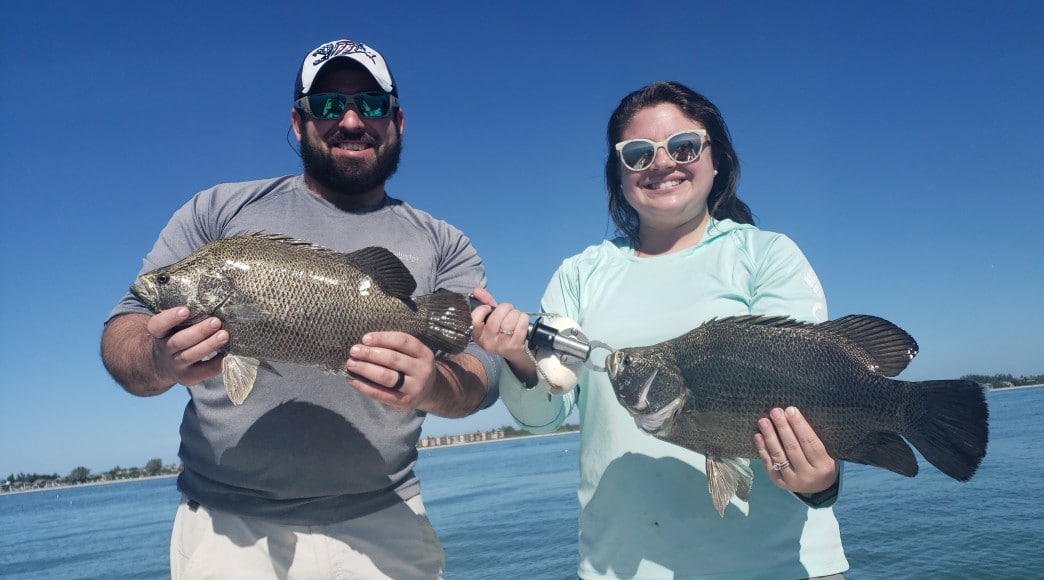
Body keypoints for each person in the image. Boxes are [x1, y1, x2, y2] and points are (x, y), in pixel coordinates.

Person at [101, 39, 501, 579]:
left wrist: (435, 387)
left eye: (373, 104)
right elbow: (123, 329)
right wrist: (158, 358)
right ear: (298, 122)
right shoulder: (217, 211)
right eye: (330, 105)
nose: (353, 120)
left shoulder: (444, 243)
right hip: (227, 530)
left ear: (398, 120)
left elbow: (481, 363)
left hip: (386, 523)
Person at [472, 81, 848, 579]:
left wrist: (821, 478)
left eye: (684, 146)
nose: (662, 162)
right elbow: (545, 416)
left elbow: (813, 389)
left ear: (717, 160)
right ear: (619, 173)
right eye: (638, 154)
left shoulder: (766, 257)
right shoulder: (579, 275)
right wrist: (518, 357)